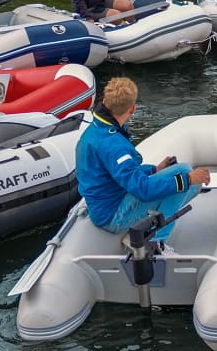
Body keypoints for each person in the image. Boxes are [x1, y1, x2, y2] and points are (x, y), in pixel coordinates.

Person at [76, 77, 210, 253]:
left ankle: (152, 233)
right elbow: (143, 190)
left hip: (103, 205)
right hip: (112, 215)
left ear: (105, 102)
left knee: (184, 176)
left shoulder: (96, 130)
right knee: (184, 177)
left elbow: (118, 172)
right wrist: (186, 180)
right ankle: (156, 244)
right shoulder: (114, 145)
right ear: (132, 108)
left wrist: (154, 170)